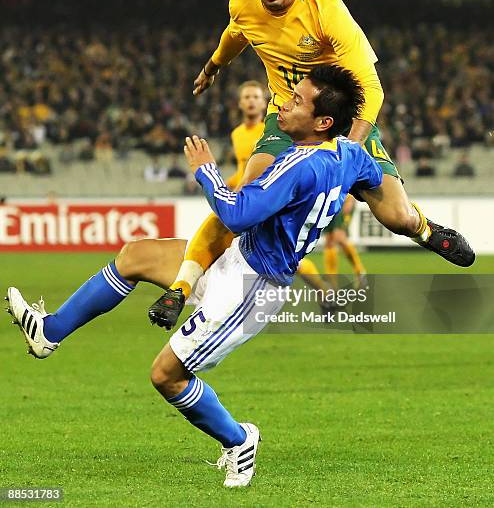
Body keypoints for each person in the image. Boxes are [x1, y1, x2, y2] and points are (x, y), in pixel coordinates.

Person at [7, 65, 384, 488]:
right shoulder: (348, 154)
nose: (284, 102)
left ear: (322, 122)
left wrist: (206, 171)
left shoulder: (300, 164)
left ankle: (239, 440)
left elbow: (238, 214)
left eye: (296, 101)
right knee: (136, 255)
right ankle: (50, 332)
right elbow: (374, 179)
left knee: (166, 375)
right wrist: (418, 227)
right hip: (238, 259)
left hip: (251, 287)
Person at [157, 0, 474, 321]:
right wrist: (214, 65)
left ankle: (426, 231)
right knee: (243, 201)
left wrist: (348, 149)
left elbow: (371, 89)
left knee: (397, 217)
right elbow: (236, 33)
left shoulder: (325, 7)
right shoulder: (242, 3)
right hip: (286, 117)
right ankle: (181, 288)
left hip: (343, 122)